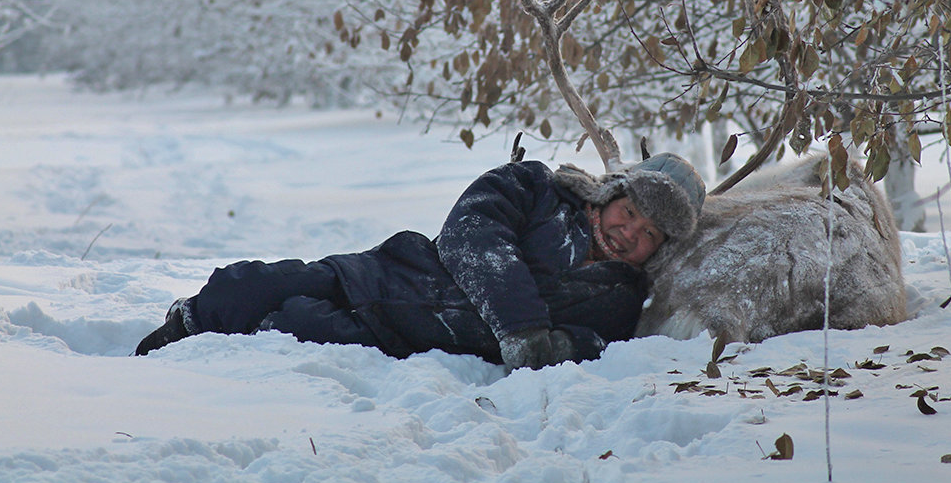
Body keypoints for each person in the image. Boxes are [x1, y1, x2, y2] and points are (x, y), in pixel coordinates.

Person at [134, 152, 705, 370]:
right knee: (251, 286)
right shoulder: (534, 185)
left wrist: (560, 346)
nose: (629, 232)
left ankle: (230, 350)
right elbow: (473, 234)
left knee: (295, 324)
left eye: (649, 233)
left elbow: (590, 343)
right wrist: (525, 328)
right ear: (612, 194)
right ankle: (179, 330)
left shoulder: (621, 296)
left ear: (659, 247)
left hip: (409, 333)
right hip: (388, 272)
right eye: (629, 212)